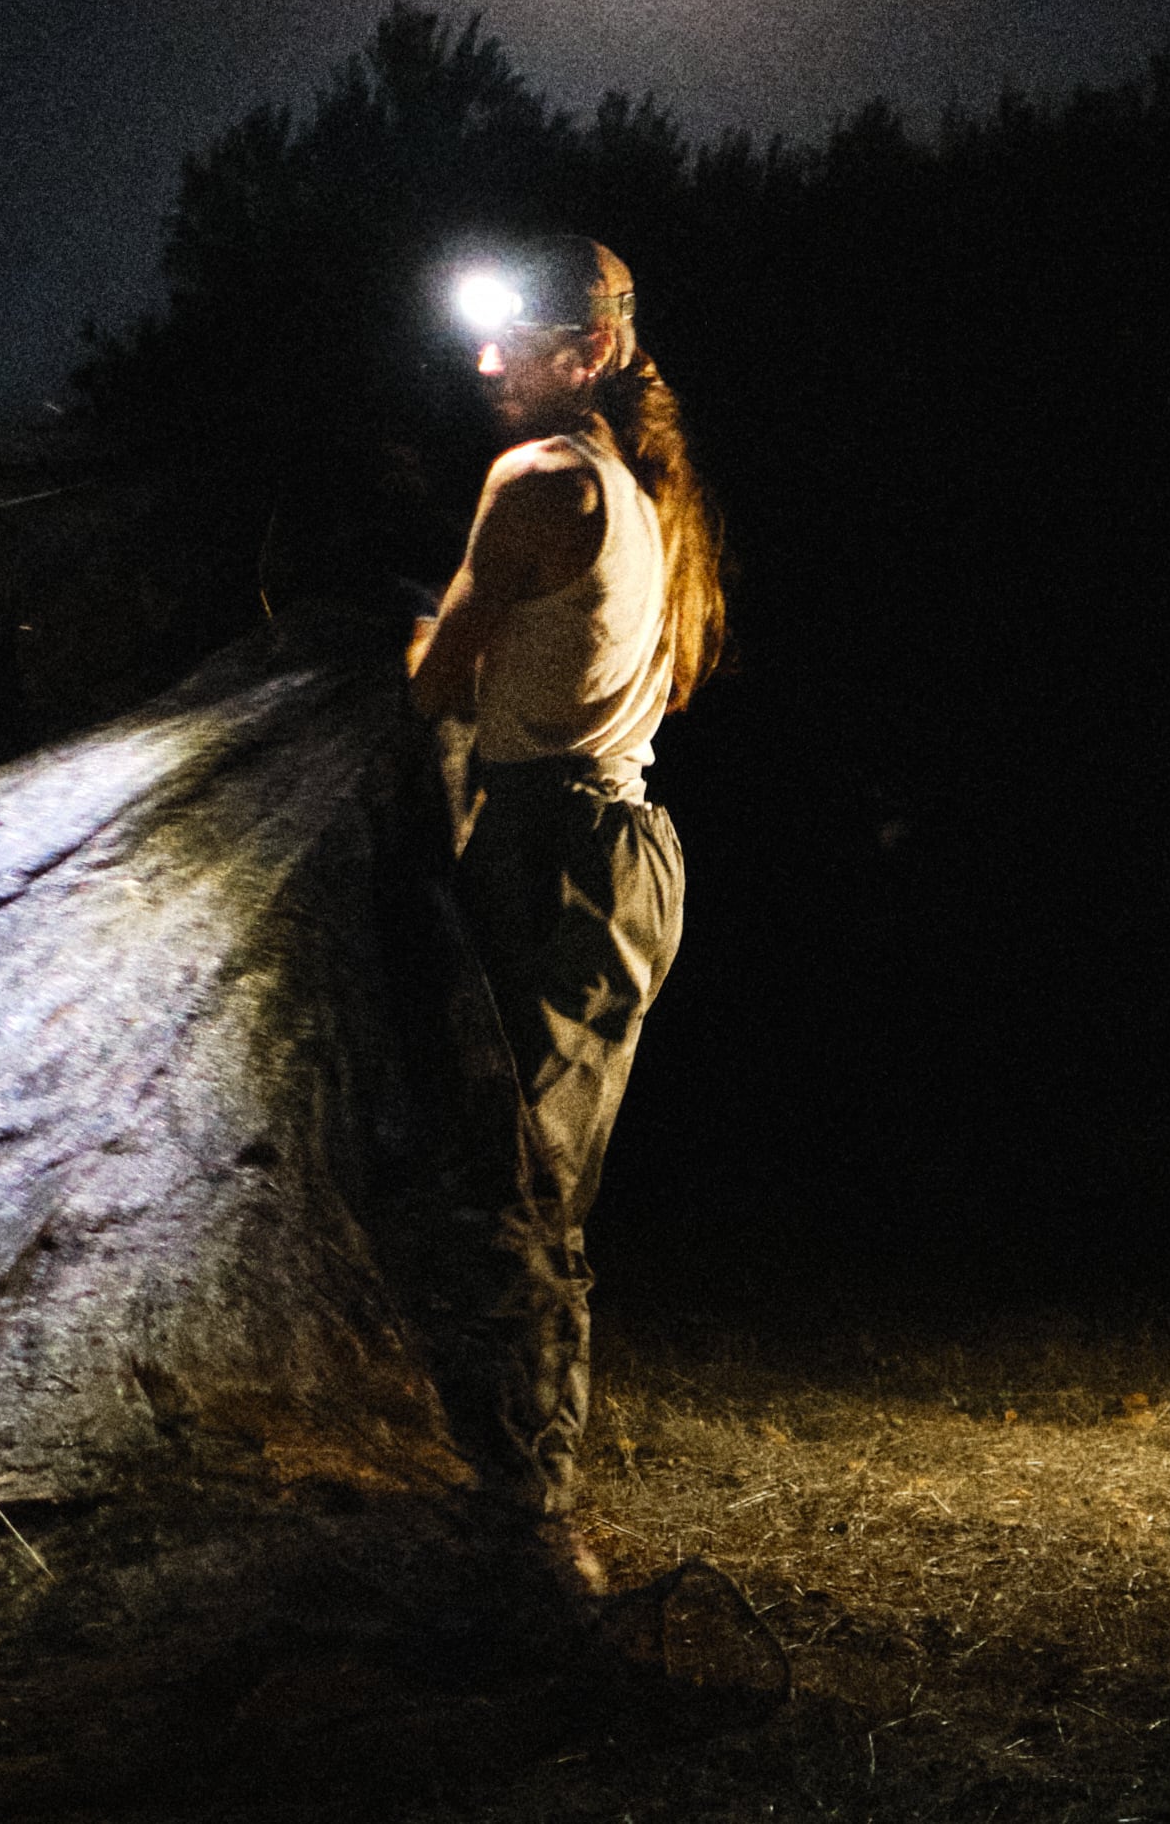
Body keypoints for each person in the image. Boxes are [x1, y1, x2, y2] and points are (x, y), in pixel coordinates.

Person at [405, 234, 727, 1553]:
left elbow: (437, 686)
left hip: (561, 855)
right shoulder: (637, 490)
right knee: (521, 1180)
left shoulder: (537, 474)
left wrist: (398, 634)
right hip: (620, 854)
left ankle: (531, 1521)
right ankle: (507, 1487)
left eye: (516, 338)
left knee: (521, 1191)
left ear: (586, 350)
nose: (487, 361)